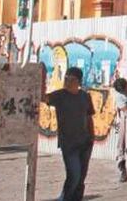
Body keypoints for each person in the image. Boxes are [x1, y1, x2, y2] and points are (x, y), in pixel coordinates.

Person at [43, 67, 95, 201]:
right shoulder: (59, 95)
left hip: (85, 142)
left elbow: (89, 117)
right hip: (69, 143)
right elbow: (43, 98)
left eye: (71, 79)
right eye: (66, 78)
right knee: (74, 175)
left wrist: (92, 138)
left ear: (78, 81)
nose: (67, 81)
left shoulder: (85, 96)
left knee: (81, 178)